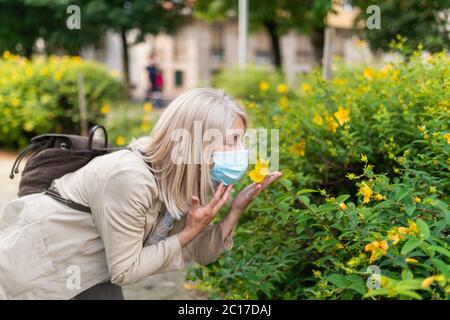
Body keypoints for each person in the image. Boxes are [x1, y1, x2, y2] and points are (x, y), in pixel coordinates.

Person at [0, 88, 282, 299]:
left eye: (242, 140)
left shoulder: (190, 176)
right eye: (234, 141)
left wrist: (235, 210)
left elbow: (201, 252)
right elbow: (126, 270)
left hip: (90, 271)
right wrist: (187, 232)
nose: (242, 151)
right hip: (42, 271)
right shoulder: (130, 178)